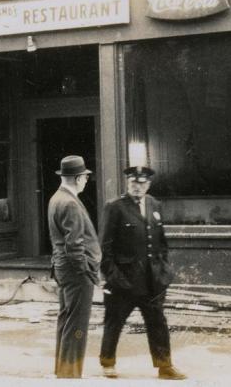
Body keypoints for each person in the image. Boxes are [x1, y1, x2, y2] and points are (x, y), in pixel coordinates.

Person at [99, 165, 186, 380]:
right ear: (128, 183)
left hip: (152, 281)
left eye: (142, 183)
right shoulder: (115, 207)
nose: (138, 187)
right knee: (114, 322)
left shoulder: (154, 204)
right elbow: (105, 248)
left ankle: (165, 366)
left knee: (158, 323)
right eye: (133, 183)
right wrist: (114, 278)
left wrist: (163, 271)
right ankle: (108, 362)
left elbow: (162, 242)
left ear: (149, 184)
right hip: (124, 281)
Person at [48, 155, 102, 378]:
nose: (87, 180)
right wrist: (87, 271)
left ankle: (63, 371)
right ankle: (70, 375)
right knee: (77, 324)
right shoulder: (70, 202)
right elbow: (74, 245)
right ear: (78, 178)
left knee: (66, 320)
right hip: (76, 273)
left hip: (63, 269)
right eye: (85, 177)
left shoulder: (56, 198)